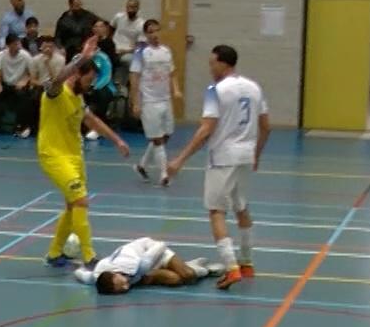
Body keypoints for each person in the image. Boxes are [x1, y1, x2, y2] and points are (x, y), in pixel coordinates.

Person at [166, 44, 270, 290]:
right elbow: (266, 126)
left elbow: (206, 129)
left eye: (213, 63)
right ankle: (247, 262)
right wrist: (257, 152)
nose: (210, 68)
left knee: (216, 212)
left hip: (223, 157)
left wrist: (180, 159)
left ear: (224, 63)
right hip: (245, 155)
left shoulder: (216, 90)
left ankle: (231, 267)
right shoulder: (254, 87)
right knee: (242, 207)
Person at [38, 37, 132, 271]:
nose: (90, 85)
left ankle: (54, 253)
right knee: (81, 201)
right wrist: (84, 56)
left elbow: (92, 120)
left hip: (74, 155)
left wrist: (117, 140)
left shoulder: (78, 97)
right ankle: (89, 257)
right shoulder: (56, 93)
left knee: (72, 206)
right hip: (54, 155)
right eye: (89, 79)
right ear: (77, 74)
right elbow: (58, 78)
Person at [75, 236, 220, 294]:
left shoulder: (136, 265)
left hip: (154, 252)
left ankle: (204, 270)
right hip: (145, 271)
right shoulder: (97, 277)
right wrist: (77, 267)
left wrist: (159, 249)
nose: (126, 287)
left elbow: (162, 245)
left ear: (115, 274)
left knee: (188, 275)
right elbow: (83, 275)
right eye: (121, 289)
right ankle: (187, 266)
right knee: (176, 280)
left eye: (122, 284)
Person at [132, 18, 182, 185]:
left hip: (165, 99)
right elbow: (135, 78)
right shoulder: (141, 53)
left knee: (166, 134)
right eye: (150, 32)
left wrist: (175, 89)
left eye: (157, 31)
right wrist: (136, 102)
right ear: (146, 34)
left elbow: (172, 72)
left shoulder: (166, 51)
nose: (154, 35)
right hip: (149, 101)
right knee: (157, 139)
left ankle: (142, 165)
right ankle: (164, 174)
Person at [0, 32, 36, 136]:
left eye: (18, 44)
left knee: (24, 98)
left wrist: (24, 81)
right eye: (15, 44)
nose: (18, 46)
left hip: (19, 85)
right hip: (6, 84)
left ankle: (22, 126)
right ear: (8, 45)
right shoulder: (1, 55)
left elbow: (32, 74)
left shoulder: (25, 55)